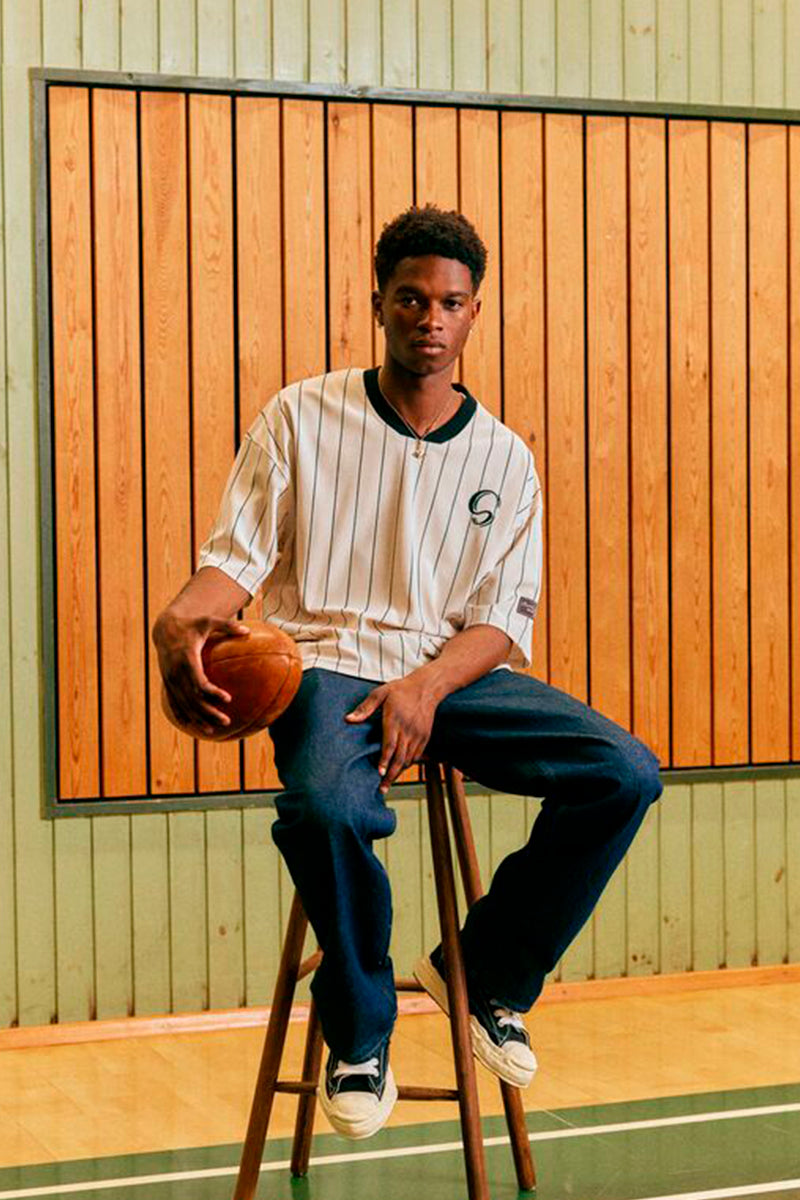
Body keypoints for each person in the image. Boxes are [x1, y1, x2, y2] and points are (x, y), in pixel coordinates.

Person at [153, 205, 662, 1141]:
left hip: (453, 674)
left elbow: (500, 623)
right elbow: (233, 561)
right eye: (412, 298)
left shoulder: (505, 457)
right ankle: (359, 1035)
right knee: (327, 809)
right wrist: (178, 617)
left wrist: (427, 688)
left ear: (474, 313)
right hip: (329, 667)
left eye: (451, 303)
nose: (431, 317)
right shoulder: (299, 417)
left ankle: (486, 976)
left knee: (624, 773)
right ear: (379, 304)